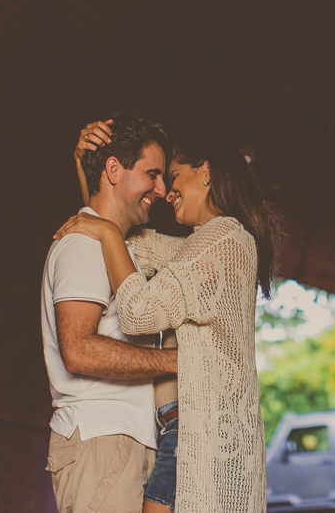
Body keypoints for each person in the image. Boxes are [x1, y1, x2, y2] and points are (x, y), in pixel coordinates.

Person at [56, 131, 279, 513]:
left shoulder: (224, 239)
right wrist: (87, 167)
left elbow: (137, 311)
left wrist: (106, 230)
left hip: (193, 434)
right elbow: (124, 238)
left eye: (173, 176)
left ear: (205, 172)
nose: (165, 190)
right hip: (180, 430)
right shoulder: (202, 244)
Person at [42, 113, 177, 513]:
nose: (162, 188)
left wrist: (83, 161)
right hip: (101, 437)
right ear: (115, 169)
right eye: (152, 174)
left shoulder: (117, 243)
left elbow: (102, 204)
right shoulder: (83, 244)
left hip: (123, 439)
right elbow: (79, 350)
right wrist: (175, 362)